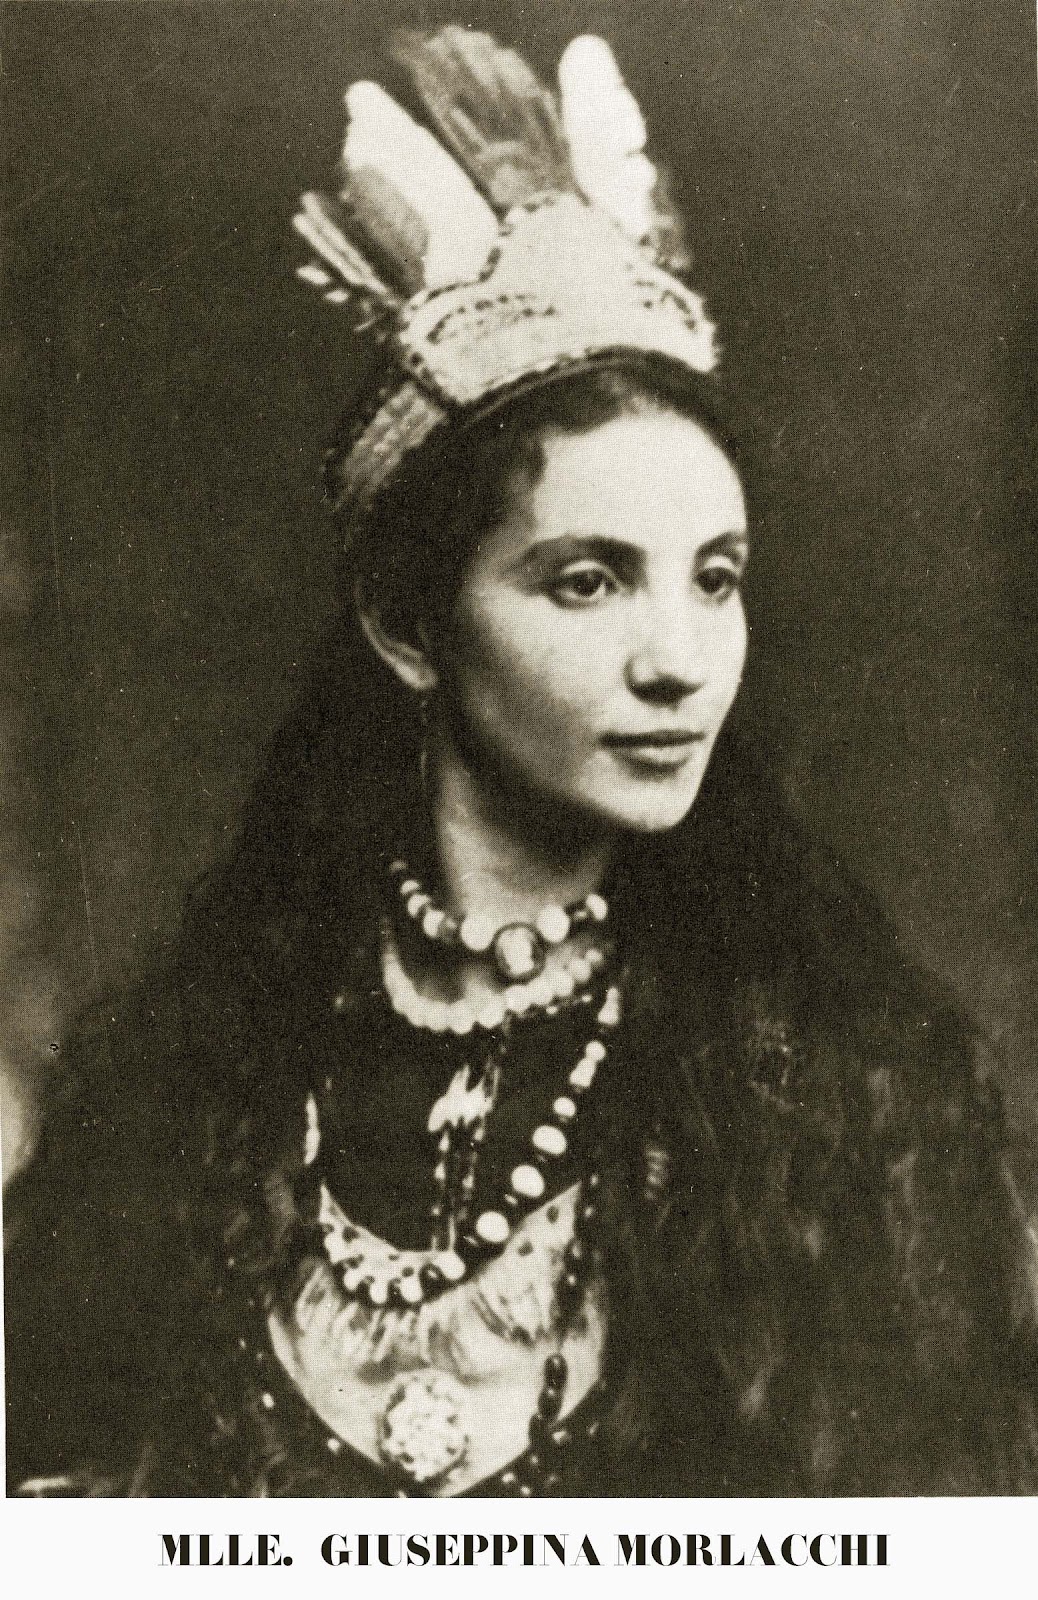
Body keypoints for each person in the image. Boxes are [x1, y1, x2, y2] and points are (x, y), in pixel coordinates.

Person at [6, 27, 1038, 1499]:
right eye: (587, 580)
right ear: (408, 622)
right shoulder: (195, 1078)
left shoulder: (848, 1102)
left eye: (717, 576)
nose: (679, 658)